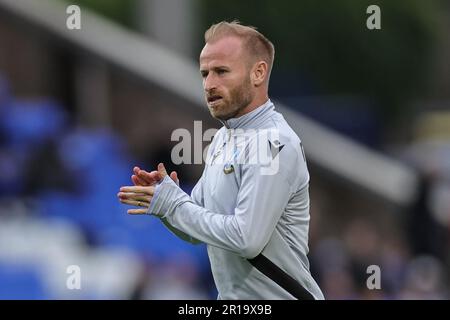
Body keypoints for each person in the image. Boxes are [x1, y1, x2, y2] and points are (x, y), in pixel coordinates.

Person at [118, 21, 324, 300]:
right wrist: (165, 202)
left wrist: (174, 204)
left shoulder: (274, 142)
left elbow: (246, 240)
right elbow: (197, 230)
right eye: (204, 73)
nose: (209, 84)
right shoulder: (223, 139)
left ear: (258, 73)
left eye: (221, 72)